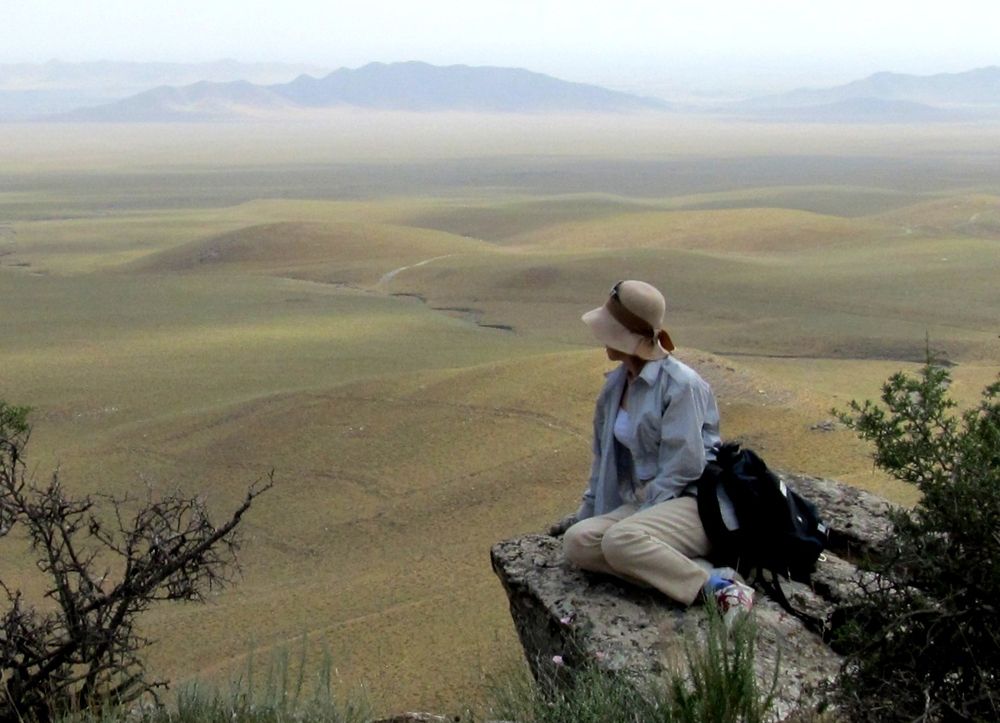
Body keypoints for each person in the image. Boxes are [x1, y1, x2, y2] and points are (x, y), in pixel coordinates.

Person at [554, 280, 753, 618]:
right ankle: (684, 567)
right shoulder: (615, 387)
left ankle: (720, 588)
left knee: (619, 541)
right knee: (578, 542)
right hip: (649, 501)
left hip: (695, 502)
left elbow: (685, 467)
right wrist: (587, 515)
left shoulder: (681, 385)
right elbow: (602, 463)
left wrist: (636, 520)